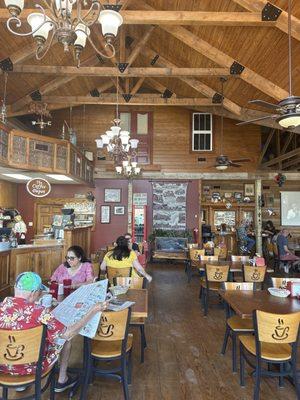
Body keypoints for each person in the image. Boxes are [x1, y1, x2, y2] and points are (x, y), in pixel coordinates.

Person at [0, 271, 107, 393]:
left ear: (15, 287)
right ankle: (62, 379)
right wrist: (93, 310)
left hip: (2, 366)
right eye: (40, 293)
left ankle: (19, 384)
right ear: (34, 292)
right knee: (64, 339)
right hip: (32, 367)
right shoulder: (39, 312)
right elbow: (68, 333)